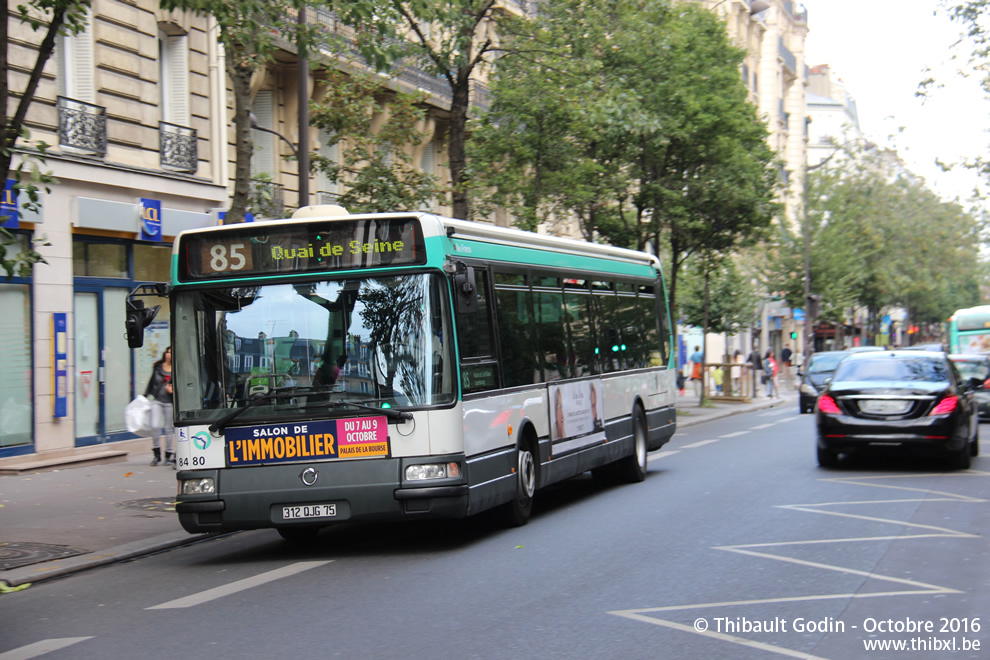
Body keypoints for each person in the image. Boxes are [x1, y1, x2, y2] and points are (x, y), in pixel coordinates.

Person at [145, 346, 174, 467]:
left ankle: (168, 455)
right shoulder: (158, 367)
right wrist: (145, 396)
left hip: (169, 402)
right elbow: (151, 382)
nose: (168, 355)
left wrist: (173, 390)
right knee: (155, 426)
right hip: (157, 400)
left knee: (168, 429)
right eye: (167, 352)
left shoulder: (177, 369)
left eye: (171, 353)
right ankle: (156, 454)